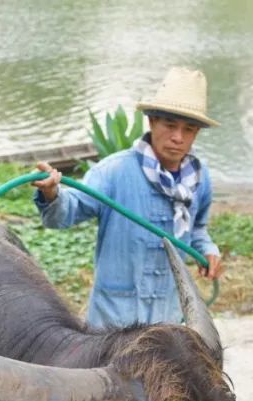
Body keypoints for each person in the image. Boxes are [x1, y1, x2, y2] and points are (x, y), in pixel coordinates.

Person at [32, 66, 223, 328]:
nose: (178, 137)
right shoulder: (114, 171)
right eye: (169, 125)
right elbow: (67, 212)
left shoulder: (199, 180)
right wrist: (52, 192)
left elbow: (197, 228)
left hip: (168, 318)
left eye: (188, 129)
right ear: (152, 121)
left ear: (196, 134)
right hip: (114, 322)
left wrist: (208, 250)